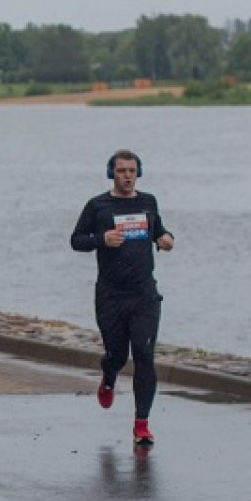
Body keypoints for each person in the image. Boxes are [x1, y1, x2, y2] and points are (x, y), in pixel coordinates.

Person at [70, 149, 174, 447]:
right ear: (111, 173)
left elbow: (160, 233)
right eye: (121, 171)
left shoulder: (148, 202)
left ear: (138, 172)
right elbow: (76, 240)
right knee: (117, 354)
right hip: (110, 295)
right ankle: (109, 376)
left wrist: (166, 240)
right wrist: (101, 240)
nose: (127, 176)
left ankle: (141, 424)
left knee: (144, 356)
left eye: (131, 170)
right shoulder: (98, 205)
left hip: (144, 294)